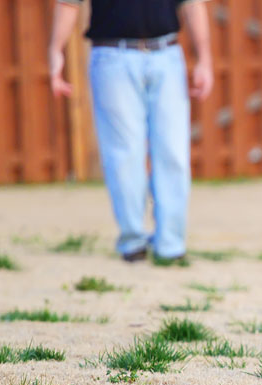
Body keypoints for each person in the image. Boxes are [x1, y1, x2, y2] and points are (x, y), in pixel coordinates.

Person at [48, 0, 214, 263]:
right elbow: (69, 3)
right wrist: (56, 50)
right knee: (124, 156)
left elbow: (192, 4)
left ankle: (171, 245)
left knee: (174, 153)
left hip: (167, 54)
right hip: (113, 56)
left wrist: (205, 59)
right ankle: (132, 241)